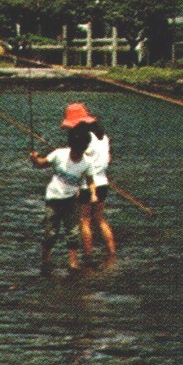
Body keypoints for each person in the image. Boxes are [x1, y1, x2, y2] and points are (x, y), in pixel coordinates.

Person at [30, 113, 96, 274]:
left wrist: (93, 193)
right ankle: (45, 260)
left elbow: (90, 181)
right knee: (51, 234)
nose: (77, 155)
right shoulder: (59, 154)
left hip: (71, 201)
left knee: (73, 233)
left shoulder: (87, 163)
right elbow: (42, 164)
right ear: (71, 146)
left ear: (84, 149)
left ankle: (73, 263)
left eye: (80, 152)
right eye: (75, 151)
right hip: (53, 199)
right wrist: (35, 159)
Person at [65, 104, 118, 265]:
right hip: (103, 182)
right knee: (100, 219)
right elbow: (108, 159)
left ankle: (88, 257)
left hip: (87, 185)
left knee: (85, 220)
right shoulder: (103, 137)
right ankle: (112, 253)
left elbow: (78, 161)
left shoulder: (84, 138)